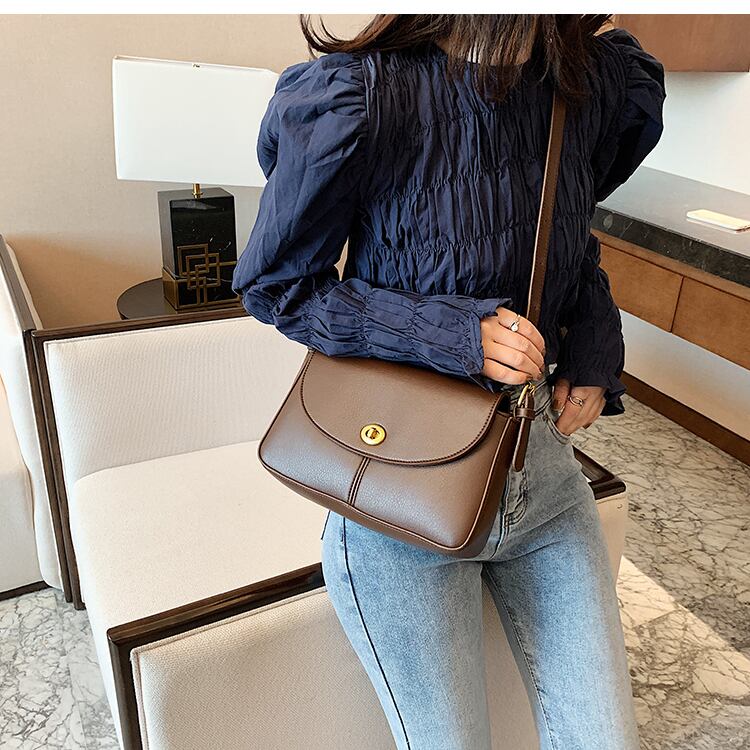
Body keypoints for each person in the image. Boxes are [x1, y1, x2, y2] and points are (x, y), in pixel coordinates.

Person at [233, 14, 665, 750]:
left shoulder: (589, 80)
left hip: (544, 484)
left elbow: (568, 234)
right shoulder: (361, 98)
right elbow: (280, 287)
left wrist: (594, 347)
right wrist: (454, 334)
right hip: (399, 497)